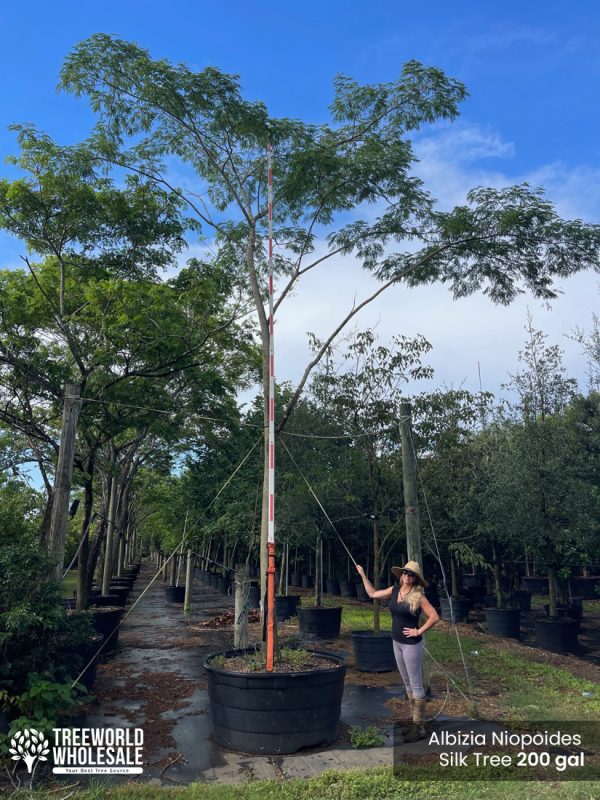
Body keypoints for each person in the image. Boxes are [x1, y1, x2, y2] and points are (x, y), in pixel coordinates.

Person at [356, 560, 439, 741]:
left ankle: (419, 728)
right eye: (405, 573)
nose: (407, 576)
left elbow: (434, 616)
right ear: (401, 575)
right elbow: (372, 593)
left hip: (411, 645)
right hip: (397, 643)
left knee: (416, 685)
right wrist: (362, 574)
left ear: (415, 579)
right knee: (407, 684)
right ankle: (414, 724)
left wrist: (419, 630)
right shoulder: (394, 591)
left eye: (411, 574)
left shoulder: (418, 596)